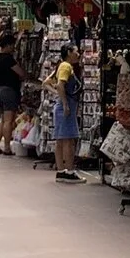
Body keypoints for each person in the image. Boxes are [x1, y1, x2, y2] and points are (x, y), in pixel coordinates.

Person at [49, 49, 84, 182]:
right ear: (69, 52)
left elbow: (48, 82)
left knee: (60, 140)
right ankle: (69, 171)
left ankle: (61, 170)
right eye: (75, 51)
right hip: (66, 108)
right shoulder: (66, 66)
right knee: (68, 140)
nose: (78, 54)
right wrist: (65, 104)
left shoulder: (63, 66)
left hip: (63, 107)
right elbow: (60, 85)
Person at [0, 23, 24, 156]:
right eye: (13, 45)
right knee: (9, 121)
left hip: (0, 89)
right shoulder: (8, 59)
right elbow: (20, 73)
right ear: (9, 45)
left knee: (3, 120)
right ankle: (7, 147)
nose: (14, 48)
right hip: (9, 90)